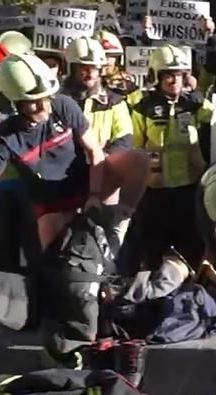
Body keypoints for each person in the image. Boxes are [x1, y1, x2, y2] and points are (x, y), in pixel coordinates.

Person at [0, 53, 147, 258]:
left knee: (138, 160)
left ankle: (117, 229)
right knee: (51, 247)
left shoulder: (63, 105)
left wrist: (95, 195)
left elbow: (95, 152)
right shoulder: (5, 138)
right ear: (13, 103)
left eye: (46, 97)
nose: (44, 107)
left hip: (88, 185)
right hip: (52, 204)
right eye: (33, 101)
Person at [128, 44, 213, 270]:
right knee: (154, 249)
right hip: (155, 191)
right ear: (157, 76)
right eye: (168, 75)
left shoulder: (194, 103)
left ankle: (189, 298)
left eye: (178, 75)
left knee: (190, 249)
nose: (174, 81)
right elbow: (135, 146)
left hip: (188, 188)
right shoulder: (142, 106)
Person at [61, 36, 148, 245]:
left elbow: (124, 139)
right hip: (63, 169)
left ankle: (120, 221)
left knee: (139, 160)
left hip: (100, 165)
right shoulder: (58, 100)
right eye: (83, 66)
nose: (89, 72)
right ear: (71, 68)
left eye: (94, 67)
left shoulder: (114, 100)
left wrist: (99, 166)